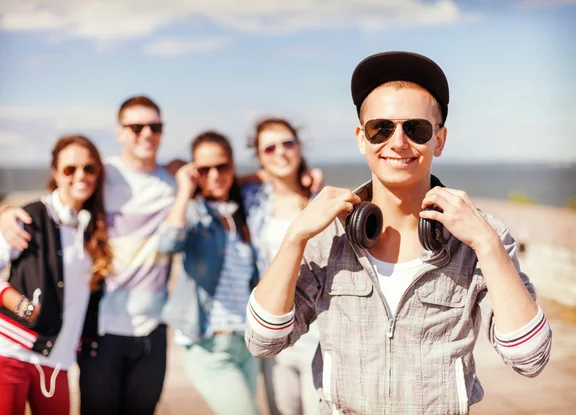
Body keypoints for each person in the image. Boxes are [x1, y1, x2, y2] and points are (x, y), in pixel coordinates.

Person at [244, 51, 552, 414]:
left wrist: (486, 243)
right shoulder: (328, 235)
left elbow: (530, 358)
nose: (399, 142)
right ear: (362, 139)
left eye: (417, 128)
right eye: (381, 128)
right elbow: (263, 340)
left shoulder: (480, 239)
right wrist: (295, 237)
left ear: (439, 140)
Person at [0, 96, 178, 415]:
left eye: (155, 126)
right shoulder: (101, 174)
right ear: (120, 132)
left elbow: (225, 183)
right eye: (136, 126)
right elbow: (56, 203)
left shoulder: (174, 181)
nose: (147, 133)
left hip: (153, 329)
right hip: (101, 330)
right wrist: (8, 211)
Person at [0, 135, 111, 415]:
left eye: (89, 168)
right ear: (55, 173)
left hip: (56, 360)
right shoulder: (31, 217)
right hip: (8, 352)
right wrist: (20, 305)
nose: (80, 176)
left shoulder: (90, 225)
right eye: (69, 169)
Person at [159, 131, 260, 415]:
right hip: (207, 342)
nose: (214, 175)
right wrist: (184, 190)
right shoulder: (193, 211)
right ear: (194, 172)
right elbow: (168, 243)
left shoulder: (241, 212)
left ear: (232, 166)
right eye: (205, 169)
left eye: (222, 166)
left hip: (246, 340)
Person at [242, 118, 321, 415]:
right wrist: (260, 176)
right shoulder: (252, 202)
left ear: (299, 147)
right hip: (274, 335)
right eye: (269, 148)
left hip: (320, 336)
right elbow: (221, 181)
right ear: (260, 158)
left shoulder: (321, 201)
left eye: (288, 143)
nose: (281, 152)